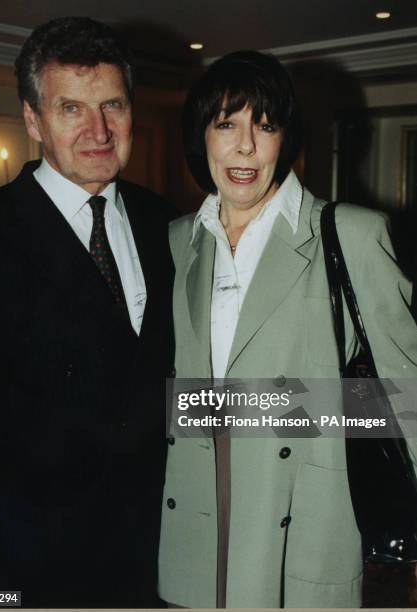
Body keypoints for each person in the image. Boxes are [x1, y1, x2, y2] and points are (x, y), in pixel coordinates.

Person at [158, 50, 417, 608]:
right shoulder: (181, 239)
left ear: (285, 138)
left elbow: (405, 400)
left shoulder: (348, 233)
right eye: (226, 123)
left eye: (265, 125)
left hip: (302, 509)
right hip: (200, 506)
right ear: (201, 136)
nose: (245, 146)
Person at [0, 17, 174, 608]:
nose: (99, 130)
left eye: (113, 105)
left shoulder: (166, 222)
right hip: (35, 560)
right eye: (71, 109)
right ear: (33, 119)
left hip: (160, 553)